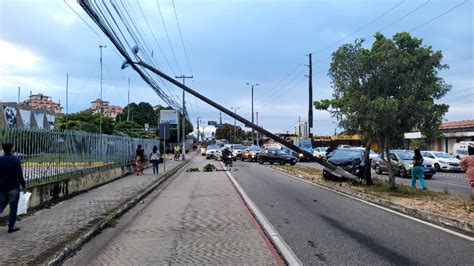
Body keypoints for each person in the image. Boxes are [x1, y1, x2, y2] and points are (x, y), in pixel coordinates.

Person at [0, 143, 27, 233]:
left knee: (1, 204)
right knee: (13, 208)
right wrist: (24, 186)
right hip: (13, 187)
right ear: (11, 148)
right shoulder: (15, 159)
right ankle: (11, 227)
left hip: (2, 187)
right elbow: (20, 175)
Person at [460, 145, 474, 211]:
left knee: (473, 186)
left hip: (470, 171)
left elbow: (460, 163)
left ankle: (473, 199)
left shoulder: (467, 157)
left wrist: (465, 168)